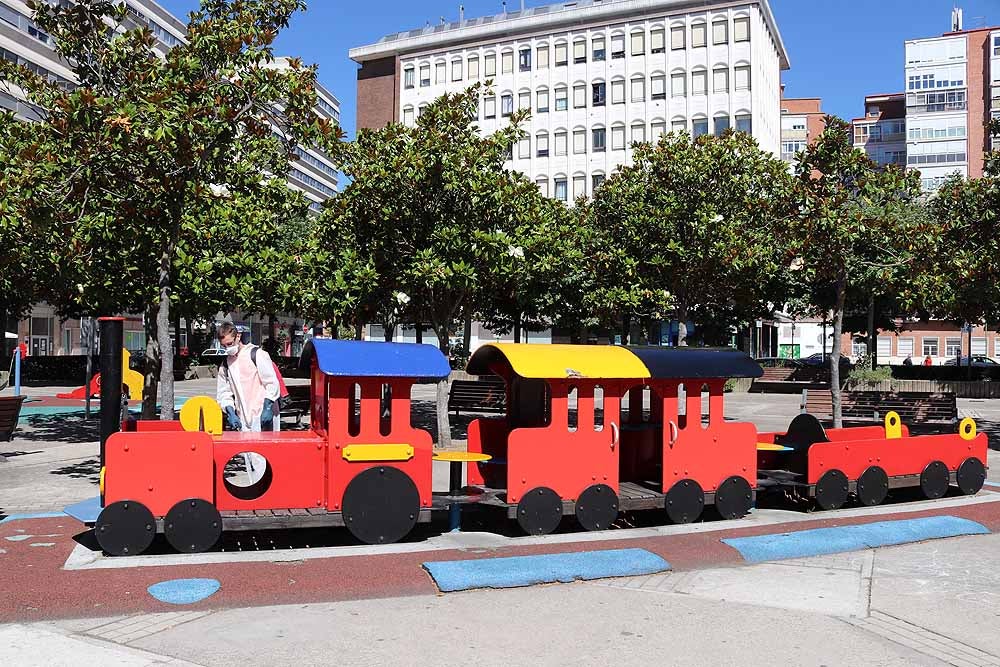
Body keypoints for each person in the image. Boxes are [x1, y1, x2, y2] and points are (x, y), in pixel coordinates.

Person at [216, 322, 280, 432]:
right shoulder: (226, 365)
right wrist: (230, 411)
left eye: (230, 343)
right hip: (243, 419)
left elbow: (271, 383)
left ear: (238, 336)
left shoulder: (257, 355)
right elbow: (224, 393)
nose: (227, 348)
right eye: (224, 346)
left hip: (263, 416)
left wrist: (268, 407)